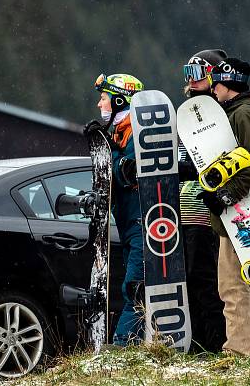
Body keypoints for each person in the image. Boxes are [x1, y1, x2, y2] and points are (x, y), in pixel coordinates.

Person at [196, 57, 250, 356]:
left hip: (243, 214)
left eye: (215, 83)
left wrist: (224, 197)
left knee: (232, 286)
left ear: (226, 84)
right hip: (248, 211)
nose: (213, 90)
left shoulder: (243, 114)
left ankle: (239, 351)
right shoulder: (243, 111)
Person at [84, 73, 145, 346]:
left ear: (120, 100)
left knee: (136, 289)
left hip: (143, 222)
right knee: (131, 287)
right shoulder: (121, 131)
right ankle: (134, 345)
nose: (100, 104)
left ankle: (123, 348)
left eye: (104, 98)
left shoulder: (141, 130)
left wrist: (110, 151)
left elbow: (127, 173)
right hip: (129, 224)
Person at [179, 49, 228, 352]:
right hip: (184, 212)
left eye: (196, 74)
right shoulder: (189, 113)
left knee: (207, 285)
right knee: (191, 285)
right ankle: (197, 345)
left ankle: (212, 345)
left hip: (204, 213)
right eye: (187, 74)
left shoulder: (215, 113)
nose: (190, 82)